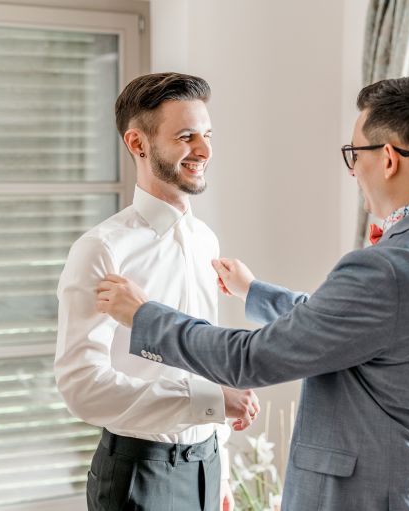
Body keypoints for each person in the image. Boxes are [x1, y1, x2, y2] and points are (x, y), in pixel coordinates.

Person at [96, 77, 409, 510]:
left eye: (354, 153)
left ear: (387, 160)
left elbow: (249, 360)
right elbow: (351, 326)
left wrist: (144, 317)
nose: (351, 170)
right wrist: (255, 293)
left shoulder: (387, 268)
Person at [54, 72, 260, 511]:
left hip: (206, 465)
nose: (204, 151)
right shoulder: (101, 249)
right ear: (138, 143)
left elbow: (203, 354)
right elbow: (81, 385)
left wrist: (218, 459)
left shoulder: (205, 240)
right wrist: (209, 403)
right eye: (186, 137)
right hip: (139, 474)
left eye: (207, 135)